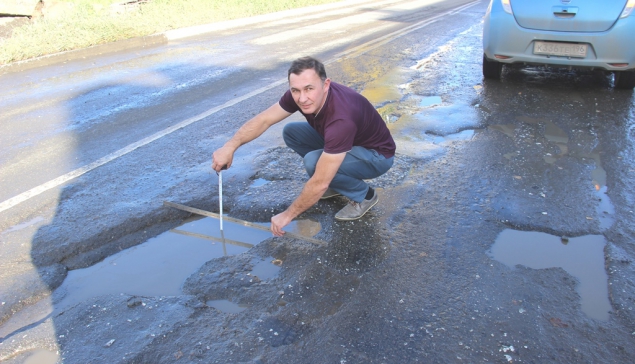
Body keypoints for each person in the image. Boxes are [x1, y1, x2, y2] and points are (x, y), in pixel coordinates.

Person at [212, 56, 396, 237]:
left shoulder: (341, 118)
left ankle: (365, 196)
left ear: (325, 85)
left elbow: (319, 183)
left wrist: (287, 215)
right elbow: (264, 119)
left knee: (314, 163)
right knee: (292, 132)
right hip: (348, 144)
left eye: (309, 89)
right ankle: (338, 180)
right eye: (295, 90)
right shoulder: (301, 95)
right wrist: (230, 147)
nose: (302, 98)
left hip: (377, 156)